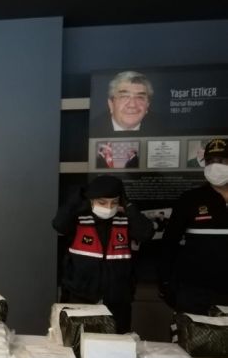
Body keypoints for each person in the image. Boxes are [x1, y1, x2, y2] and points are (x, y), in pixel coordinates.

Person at [53, 175, 153, 333]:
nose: (108, 207)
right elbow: (59, 224)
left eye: (114, 202)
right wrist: (79, 197)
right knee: (77, 342)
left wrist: (129, 207)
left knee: (117, 344)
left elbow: (146, 233)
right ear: (91, 200)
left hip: (118, 299)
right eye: (102, 202)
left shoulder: (125, 219)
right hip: (81, 296)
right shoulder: (79, 218)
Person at [160, 138, 228, 315]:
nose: (215, 166)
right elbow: (169, 243)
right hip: (194, 292)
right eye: (210, 161)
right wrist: (165, 281)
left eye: (221, 160)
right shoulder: (190, 199)